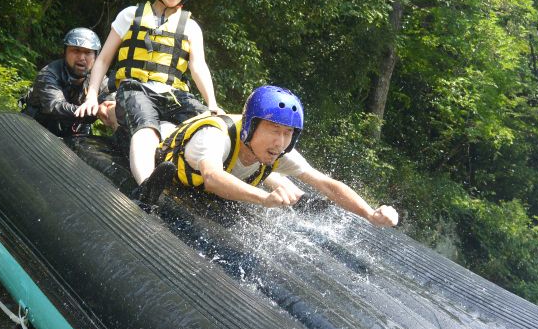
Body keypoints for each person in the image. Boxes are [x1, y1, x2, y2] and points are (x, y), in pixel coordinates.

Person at [156, 85, 398, 227]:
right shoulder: (215, 137)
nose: (280, 142)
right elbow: (212, 178)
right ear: (250, 126)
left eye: (288, 133)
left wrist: (370, 213)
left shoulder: (279, 151)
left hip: (208, 184)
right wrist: (264, 199)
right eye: (274, 130)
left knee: (268, 175)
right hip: (166, 156)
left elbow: (326, 184)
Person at [75, 0, 219, 185]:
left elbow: (198, 66)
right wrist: (91, 96)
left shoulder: (191, 27)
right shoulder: (130, 15)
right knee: (146, 126)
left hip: (173, 94)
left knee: (211, 125)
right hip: (135, 89)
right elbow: (102, 60)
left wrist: (212, 104)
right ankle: (147, 185)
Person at [22, 27, 117, 137]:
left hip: (75, 131)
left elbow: (111, 100)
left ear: (96, 56)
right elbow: (56, 107)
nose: (82, 57)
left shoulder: (98, 79)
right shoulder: (49, 74)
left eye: (88, 52)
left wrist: (111, 109)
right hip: (35, 130)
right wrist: (95, 111)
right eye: (76, 50)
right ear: (65, 52)